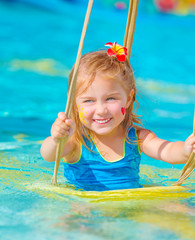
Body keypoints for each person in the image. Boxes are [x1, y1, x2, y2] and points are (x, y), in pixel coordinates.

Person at [40, 42, 195, 191]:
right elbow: (48, 155)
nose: (101, 110)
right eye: (89, 101)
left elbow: (167, 151)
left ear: (128, 99)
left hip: (129, 206)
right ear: (73, 101)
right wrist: (56, 139)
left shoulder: (137, 137)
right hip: (84, 207)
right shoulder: (76, 141)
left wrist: (186, 150)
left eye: (110, 99)